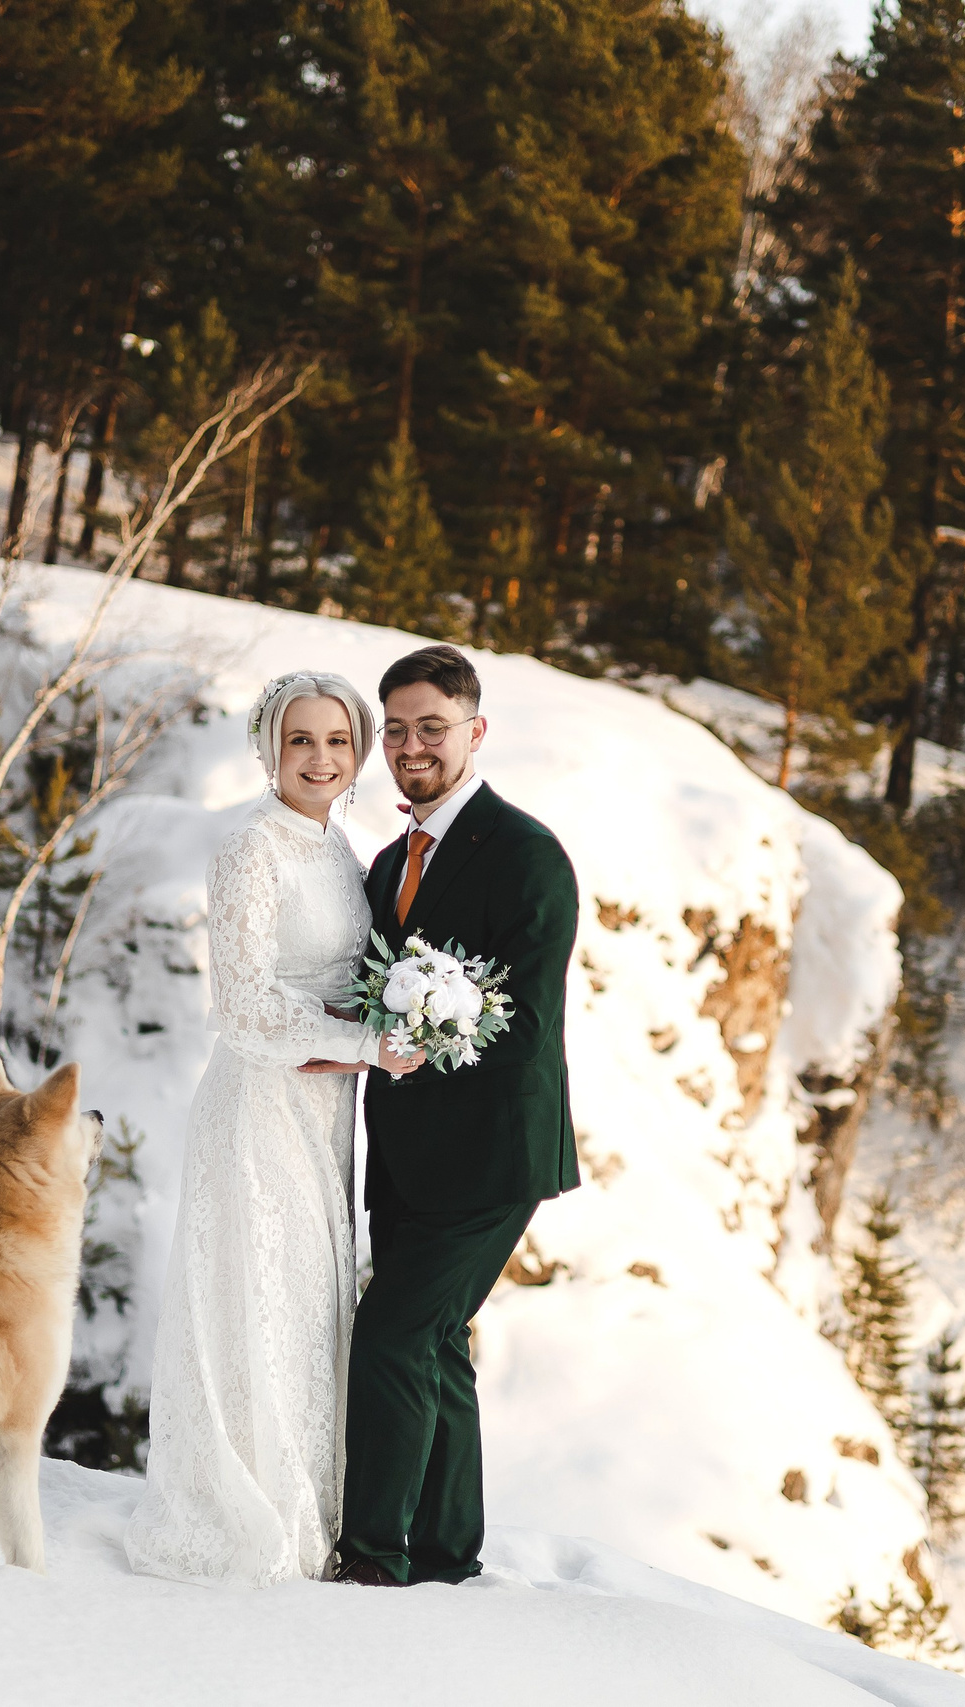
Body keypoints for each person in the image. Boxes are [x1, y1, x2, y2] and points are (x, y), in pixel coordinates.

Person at [125, 671, 424, 1587]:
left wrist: (380, 1036)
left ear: (360, 751)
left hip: (324, 1109)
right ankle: (256, 1510)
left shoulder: (341, 850)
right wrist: (370, 1043)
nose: (320, 758)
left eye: (338, 741)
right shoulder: (250, 848)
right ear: (269, 749)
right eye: (302, 740)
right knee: (260, 1294)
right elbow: (245, 1004)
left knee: (309, 1302)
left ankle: (314, 1508)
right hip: (257, 1107)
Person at [332, 644, 581, 1587]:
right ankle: (444, 1553)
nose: (409, 745)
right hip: (402, 1156)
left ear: (475, 732)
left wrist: (411, 1043)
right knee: (437, 1344)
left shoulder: (526, 853)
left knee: (391, 1333)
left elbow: (524, 1028)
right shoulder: (393, 857)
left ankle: (373, 1559)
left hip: (490, 1157)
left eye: (429, 726)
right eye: (394, 730)